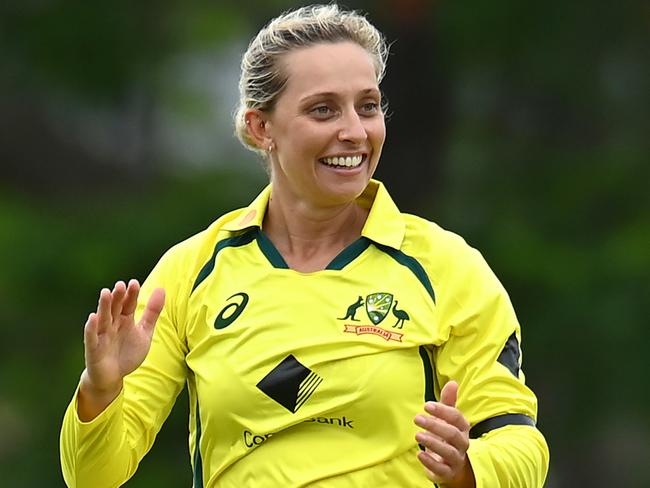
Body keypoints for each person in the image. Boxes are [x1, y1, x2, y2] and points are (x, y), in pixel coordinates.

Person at [60, 4, 549, 487]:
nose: (354, 132)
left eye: (368, 106)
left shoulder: (447, 267)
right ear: (261, 127)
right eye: (323, 110)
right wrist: (100, 389)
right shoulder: (193, 270)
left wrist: (465, 471)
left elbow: (520, 445)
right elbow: (91, 478)